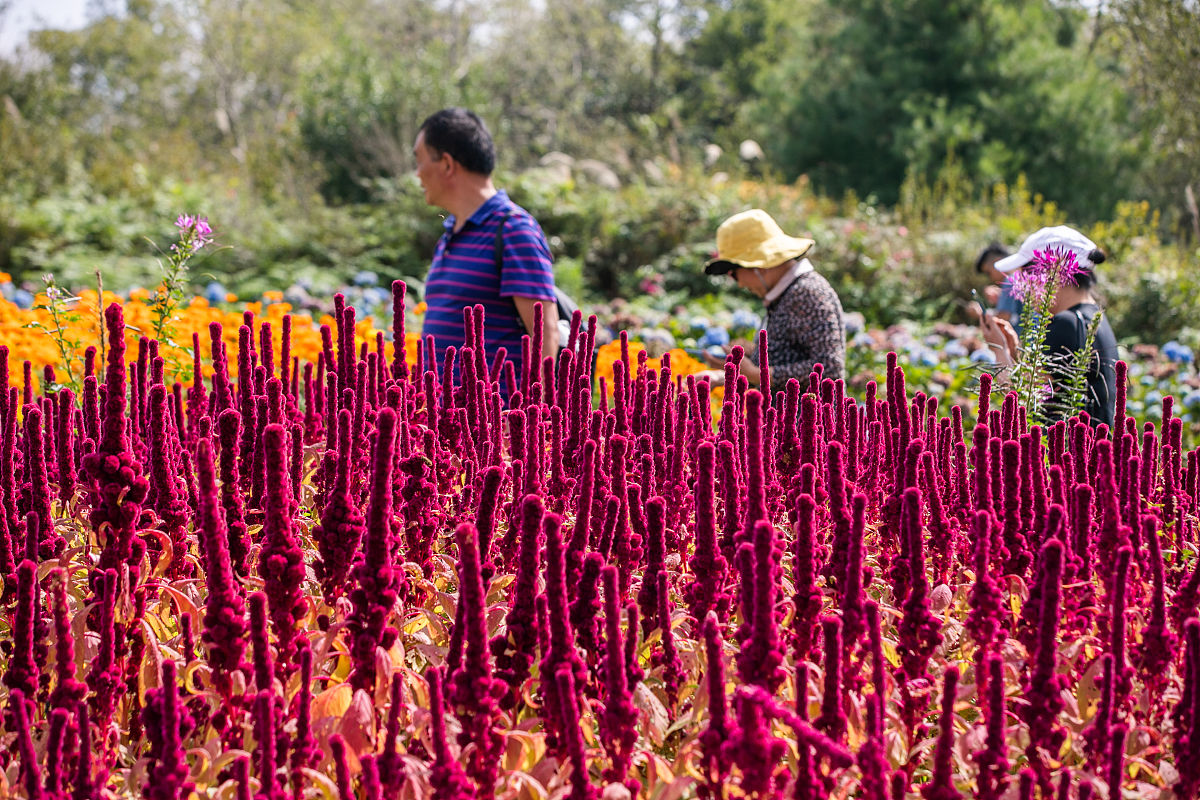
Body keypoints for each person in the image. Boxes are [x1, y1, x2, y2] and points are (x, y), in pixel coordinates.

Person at [413, 107, 558, 393]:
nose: (417, 174)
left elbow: (546, 337)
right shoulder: (449, 234)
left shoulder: (514, 231)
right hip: (445, 427)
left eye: (419, 160)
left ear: (446, 164)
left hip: (494, 431)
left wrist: (528, 426)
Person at [979, 225, 1118, 428]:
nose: (1023, 281)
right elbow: (1053, 385)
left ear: (1053, 269)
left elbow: (1024, 402)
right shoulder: (1093, 318)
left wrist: (998, 350)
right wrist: (1015, 352)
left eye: (1026, 271)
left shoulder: (1066, 324)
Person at [702, 209, 846, 385]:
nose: (740, 284)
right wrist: (733, 372)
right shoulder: (787, 293)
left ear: (758, 264)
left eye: (735, 274)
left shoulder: (805, 293)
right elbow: (790, 356)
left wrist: (755, 374)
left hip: (808, 413)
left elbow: (830, 368)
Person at [970, 242, 1025, 336]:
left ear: (997, 261)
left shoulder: (1009, 282)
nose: (991, 278)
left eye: (988, 273)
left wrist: (981, 313)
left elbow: (1004, 317)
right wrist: (1000, 299)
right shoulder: (1020, 277)